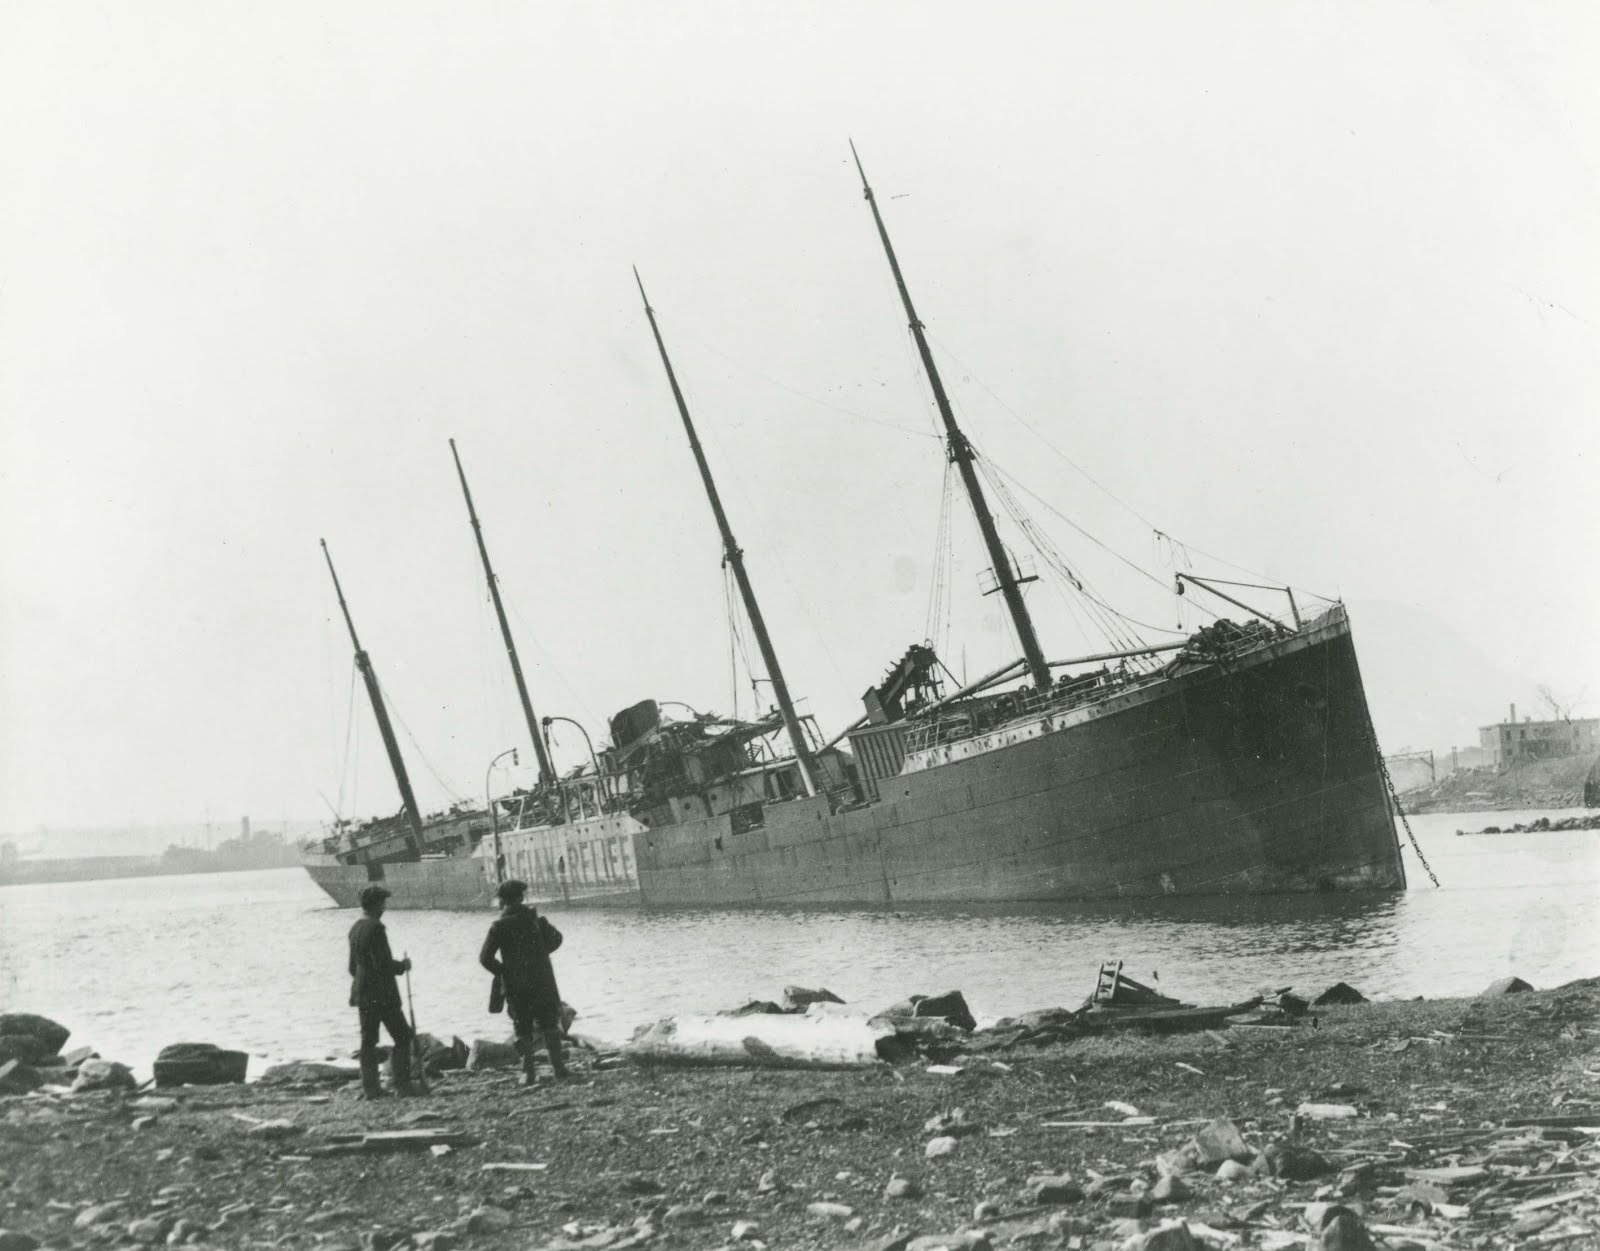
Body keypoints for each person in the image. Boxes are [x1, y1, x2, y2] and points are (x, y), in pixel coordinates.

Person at [478, 879, 568, 1086]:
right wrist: (540, 955)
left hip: (517, 986)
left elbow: (485, 958)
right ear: (521, 898)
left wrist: (504, 971)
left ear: (503, 902)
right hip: (542, 981)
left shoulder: (498, 926)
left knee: (522, 1029)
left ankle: (528, 1072)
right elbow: (557, 939)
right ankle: (559, 1069)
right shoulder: (535, 920)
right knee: (549, 1025)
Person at [347, 884, 417, 1099]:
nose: (384, 907)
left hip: (362, 994)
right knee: (403, 1037)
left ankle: (371, 1089)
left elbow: (352, 967)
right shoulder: (376, 928)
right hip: (383, 996)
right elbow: (383, 964)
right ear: (376, 905)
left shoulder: (355, 928)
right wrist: (402, 966)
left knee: (368, 1041)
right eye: (382, 903)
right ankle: (402, 1085)